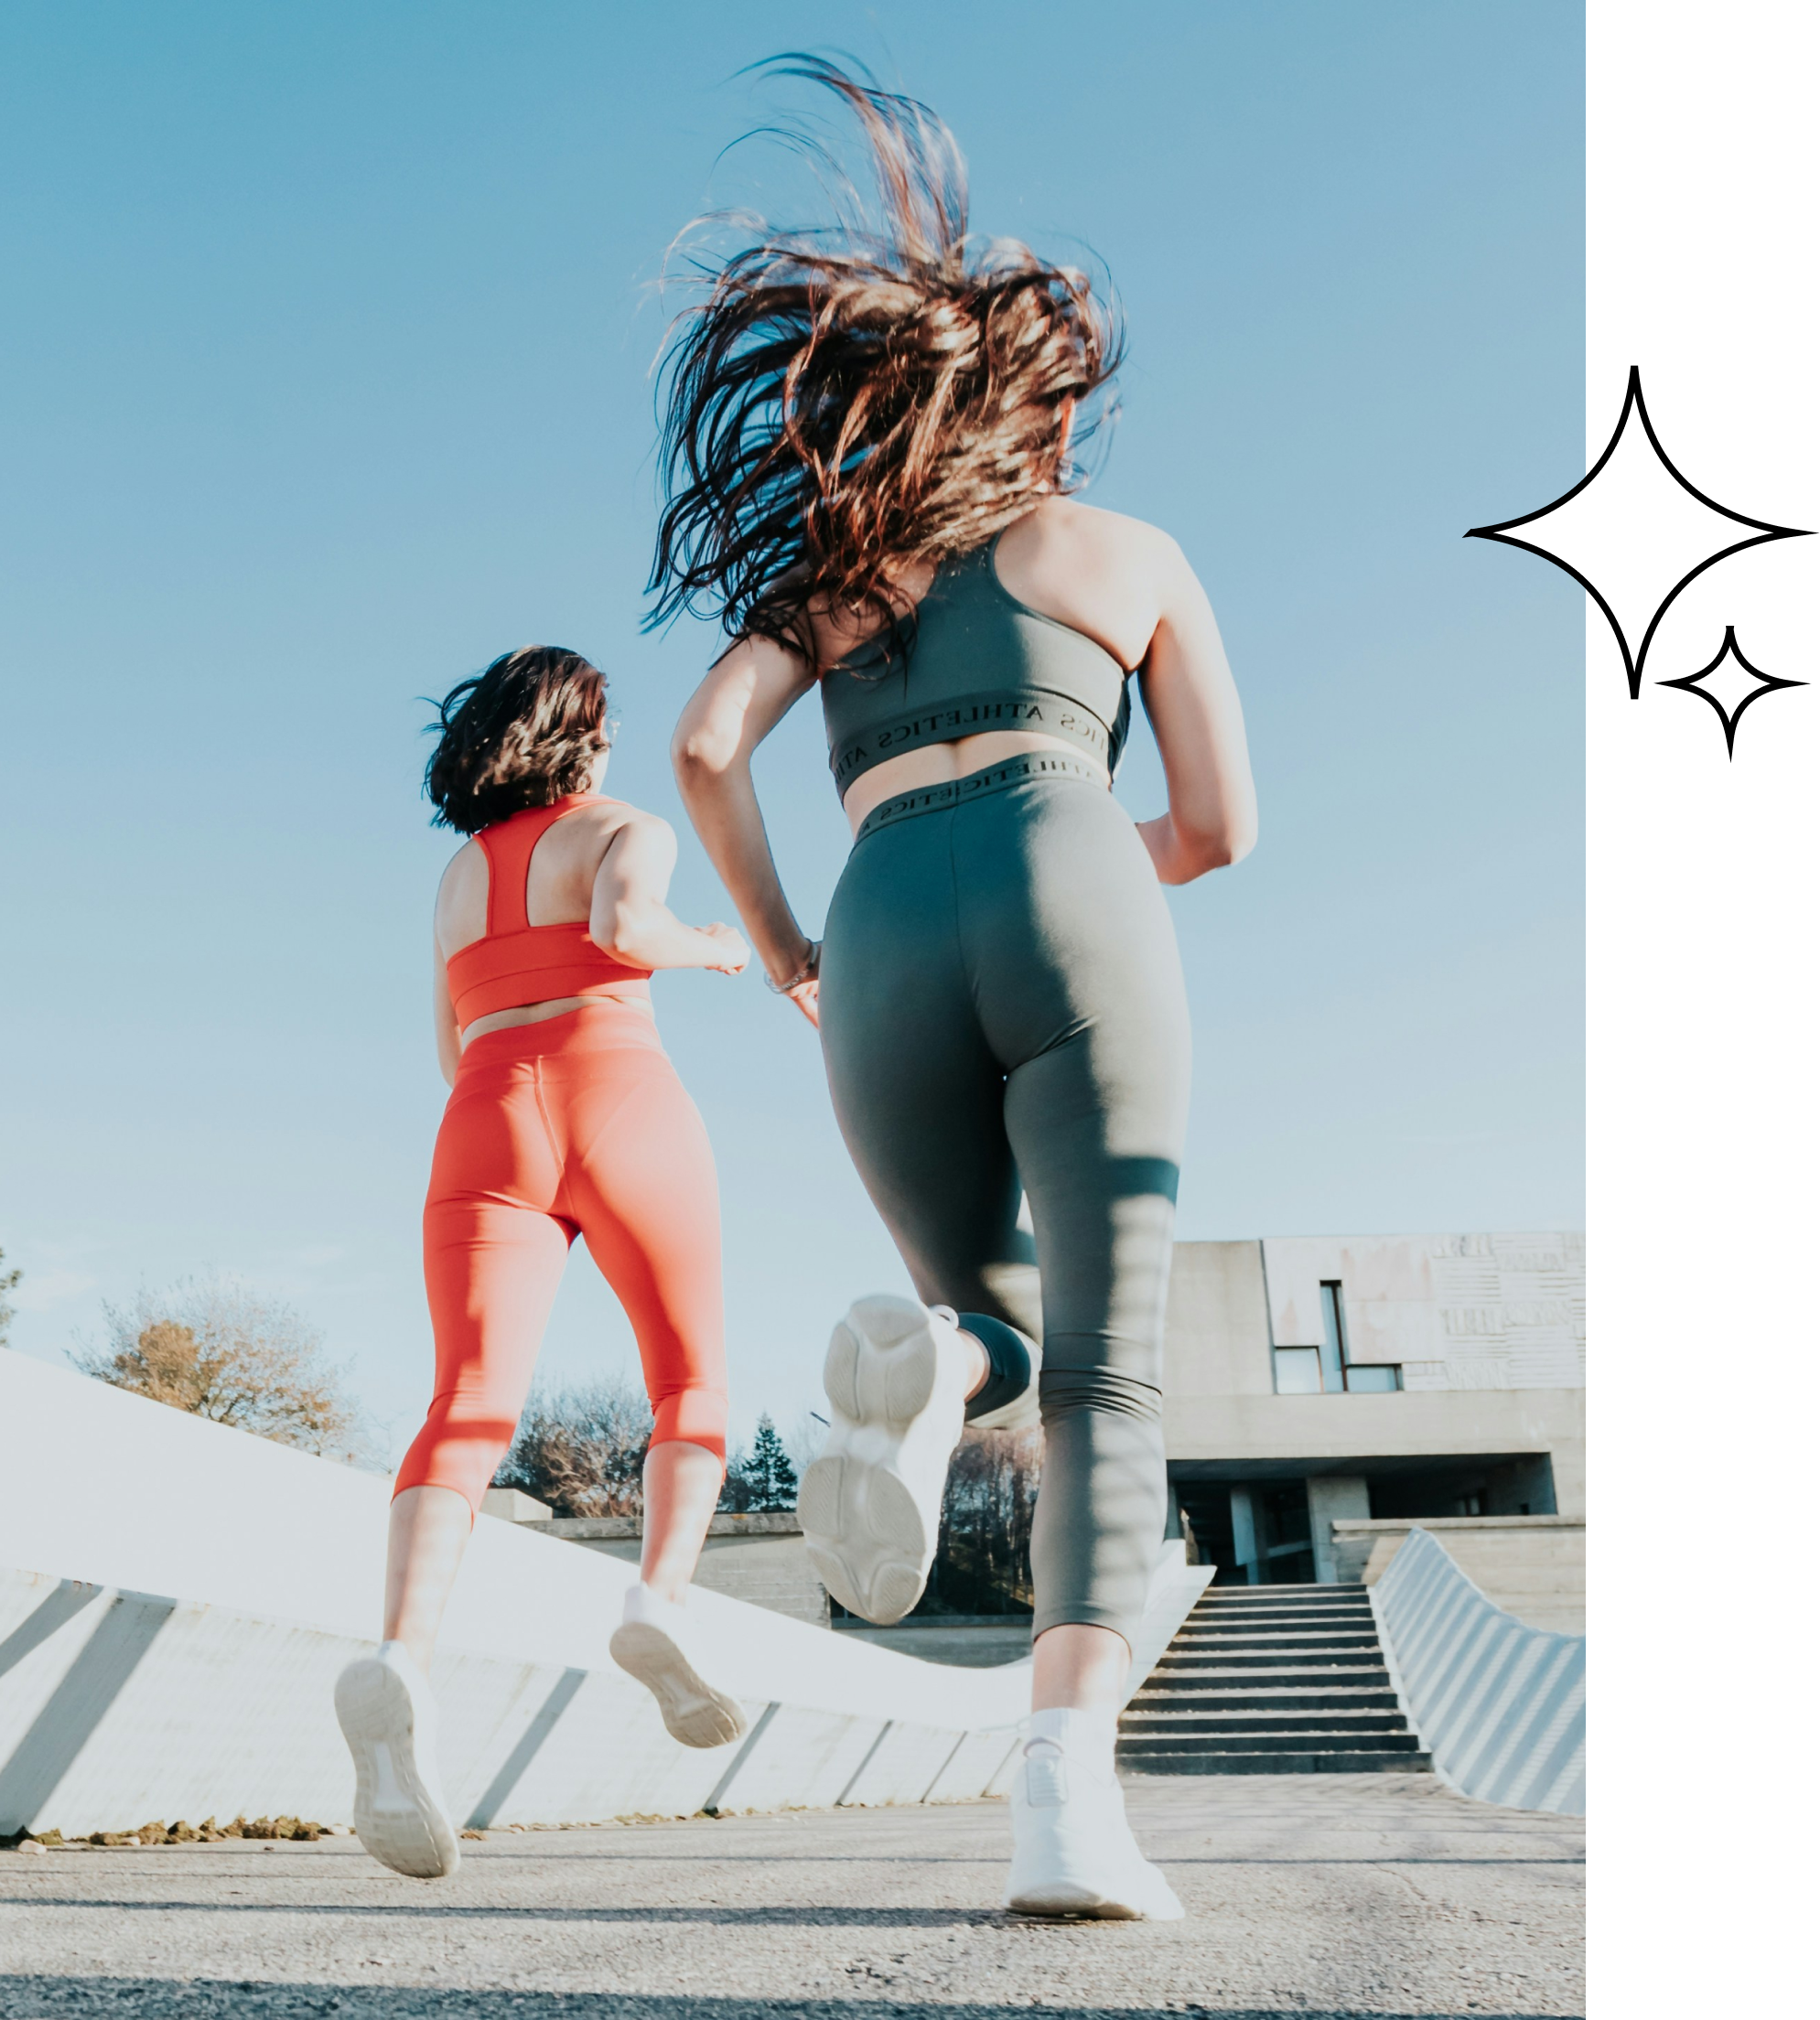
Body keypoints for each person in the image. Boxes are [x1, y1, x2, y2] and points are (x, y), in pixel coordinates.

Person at [657, 62, 1256, 1920]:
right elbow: (1220, 828)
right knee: (1111, 1376)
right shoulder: (1128, 553)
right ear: (1040, 409)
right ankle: (1066, 1813)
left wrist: (782, 950)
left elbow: (694, 748)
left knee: (979, 1317)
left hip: (875, 928)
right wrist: (1074, 861)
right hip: (1071, 874)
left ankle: (931, 1375)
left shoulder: (830, 575)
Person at [336, 645, 752, 1880]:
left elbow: (446, 1035)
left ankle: (401, 1656)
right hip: (617, 1088)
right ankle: (655, 1604)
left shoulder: (457, 876)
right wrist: (720, 948)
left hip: (483, 1112)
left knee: (464, 1405)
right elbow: (627, 929)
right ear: (585, 730)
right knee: (692, 1382)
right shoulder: (630, 827)